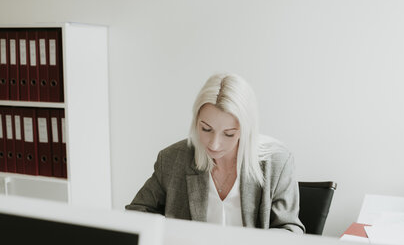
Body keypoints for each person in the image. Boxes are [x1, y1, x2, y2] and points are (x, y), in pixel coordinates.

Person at [126, 73, 304, 233]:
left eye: (229, 134)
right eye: (206, 129)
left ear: (246, 130)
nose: (214, 144)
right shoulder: (172, 160)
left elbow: (289, 230)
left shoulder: (277, 162)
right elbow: (136, 214)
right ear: (196, 121)